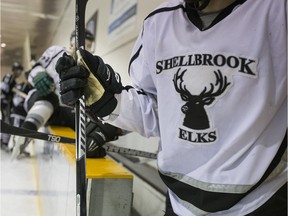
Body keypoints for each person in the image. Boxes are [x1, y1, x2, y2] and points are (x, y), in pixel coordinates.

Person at [55, 0, 287, 215]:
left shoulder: (277, 11)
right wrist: (108, 101)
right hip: (179, 203)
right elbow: (157, 111)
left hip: (261, 202)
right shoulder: (159, 22)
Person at [11, 29, 119, 159]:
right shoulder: (56, 52)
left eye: (89, 46)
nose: (86, 48)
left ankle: (91, 142)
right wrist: (38, 74)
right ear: (71, 42)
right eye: (83, 43)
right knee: (50, 98)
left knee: (95, 120)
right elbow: (34, 69)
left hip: (63, 112)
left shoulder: (91, 66)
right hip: (40, 99)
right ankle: (25, 136)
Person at [0, 62, 24, 149]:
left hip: (6, 103)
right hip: (5, 103)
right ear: (14, 70)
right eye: (18, 71)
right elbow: (4, 89)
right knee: (7, 122)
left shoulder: (13, 81)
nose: (19, 73)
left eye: (20, 71)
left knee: (6, 121)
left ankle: (3, 142)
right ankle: (4, 144)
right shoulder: (8, 77)